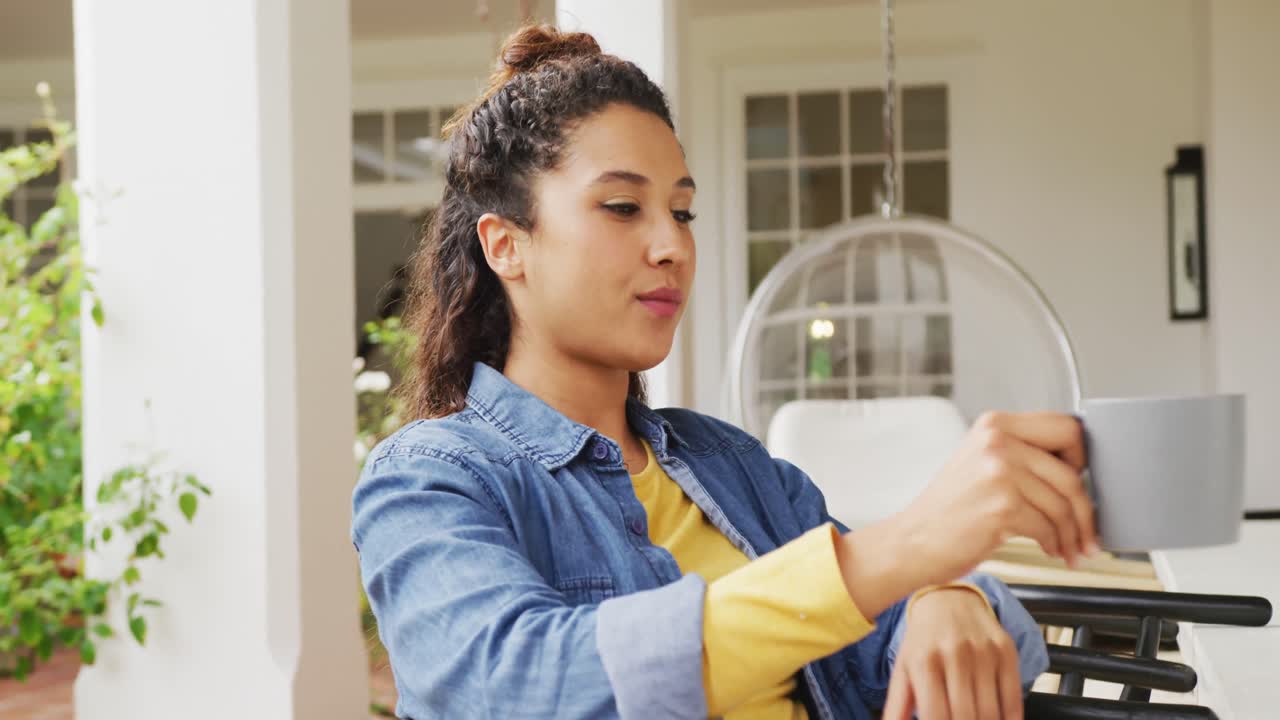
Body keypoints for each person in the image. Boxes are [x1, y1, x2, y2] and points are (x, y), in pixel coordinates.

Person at [351, 23, 1099, 720]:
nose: (670, 246)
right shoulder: (430, 479)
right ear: (506, 245)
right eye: (621, 207)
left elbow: (894, 624)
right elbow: (519, 686)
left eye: (682, 213)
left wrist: (947, 593)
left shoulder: (732, 467)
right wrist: (906, 552)